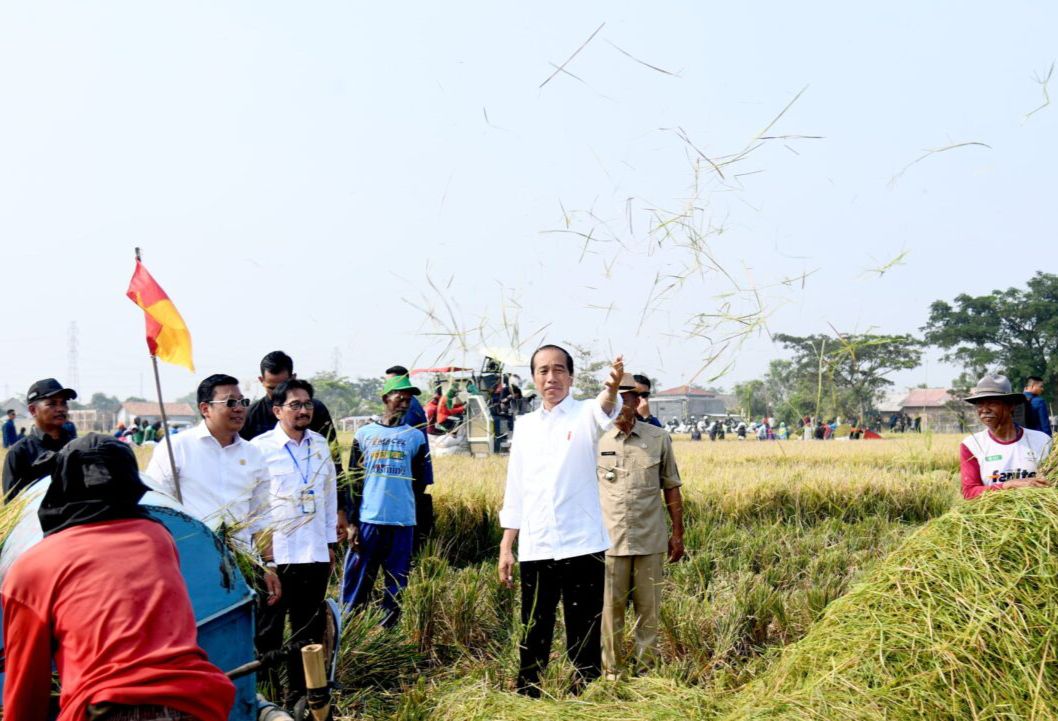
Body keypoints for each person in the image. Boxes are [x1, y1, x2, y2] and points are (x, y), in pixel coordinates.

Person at [1, 434, 235, 721]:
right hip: (194, 701)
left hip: (105, 708)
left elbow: (26, 687)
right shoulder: (159, 537)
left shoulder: (32, 566)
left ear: (61, 487)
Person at [498, 345, 624, 697]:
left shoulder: (585, 413)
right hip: (537, 544)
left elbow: (606, 407)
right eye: (543, 370)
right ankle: (529, 693)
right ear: (533, 378)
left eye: (558, 370)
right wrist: (507, 545)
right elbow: (516, 488)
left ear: (570, 376)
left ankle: (584, 695)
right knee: (534, 625)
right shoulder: (525, 426)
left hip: (582, 542)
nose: (550, 377)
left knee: (584, 627)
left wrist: (613, 387)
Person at [144, 374, 280, 602]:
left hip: (240, 566)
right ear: (205, 408)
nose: (239, 408)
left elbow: (261, 517)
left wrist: (269, 565)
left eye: (243, 402)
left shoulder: (254, 454)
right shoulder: (176, 448)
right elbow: (154, 506)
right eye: (230, 402)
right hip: (189, 562)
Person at [250, 379, 338, 705]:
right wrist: (263, 559)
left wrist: (329, 544)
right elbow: (252, 507)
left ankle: (302, 699)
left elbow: (329, 497)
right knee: (268, 634)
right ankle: (267, 699)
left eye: (307, 404)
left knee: (308, 632)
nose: (303, 410)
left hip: (313, 554)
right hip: (276, 557)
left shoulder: (320, 445)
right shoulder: (259, 449)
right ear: (277, 411)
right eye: (295, 405)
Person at [597, 374, 683, 678]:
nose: (620, 405)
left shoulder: (657, 438)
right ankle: (612, 673)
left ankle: (646, 672)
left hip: (650, 539)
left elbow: (671, 487)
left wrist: (678, 534)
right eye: (614, 398)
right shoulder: (595, 439)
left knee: (649, 611)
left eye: (626, 398)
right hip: (609, 541)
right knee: (611, 612)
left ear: (636, 401)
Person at [341, 374, 430, 626]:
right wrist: (352, 523)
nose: (404, 402)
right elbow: (354, 481)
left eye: (408, 398)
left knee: (396, 584)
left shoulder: (415, 437)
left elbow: (419, 483)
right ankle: (349, 629)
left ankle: (388, 633)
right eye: (399, 396)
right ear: (385, 398)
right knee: (358, 579)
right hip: (369, 520)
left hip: (402, 522)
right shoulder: (364, 434)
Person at [240, 350, 348, 541]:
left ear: (293, 378)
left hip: (314, 520)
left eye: (283, 386)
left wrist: (341, 512)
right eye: (272, 388)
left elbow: (334, 470)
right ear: (261, 381)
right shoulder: (251, 417)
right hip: (273, 526)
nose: (278, 393)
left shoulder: (314, 412)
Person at [959, 374, 1051, 499]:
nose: (984, 410)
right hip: (993, 510)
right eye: (980, 404)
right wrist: (1008, 485)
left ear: (1010, 406)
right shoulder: (972, 445)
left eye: (992, 403)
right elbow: (969, 492)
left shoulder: (1042, 441)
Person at [385, 365, 435, 552]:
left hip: (410, 472)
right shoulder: (412, 404)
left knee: (407, 516)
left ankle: (410, 552)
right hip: (413, 471)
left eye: (392, 382)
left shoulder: (408, 408)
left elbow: (401, 441)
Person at [3, 378, 78, 500]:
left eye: (63, 403)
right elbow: (13, 504)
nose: (61, 409)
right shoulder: (19, 453)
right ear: (33, 410)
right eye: (52, 404)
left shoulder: (77, 447)